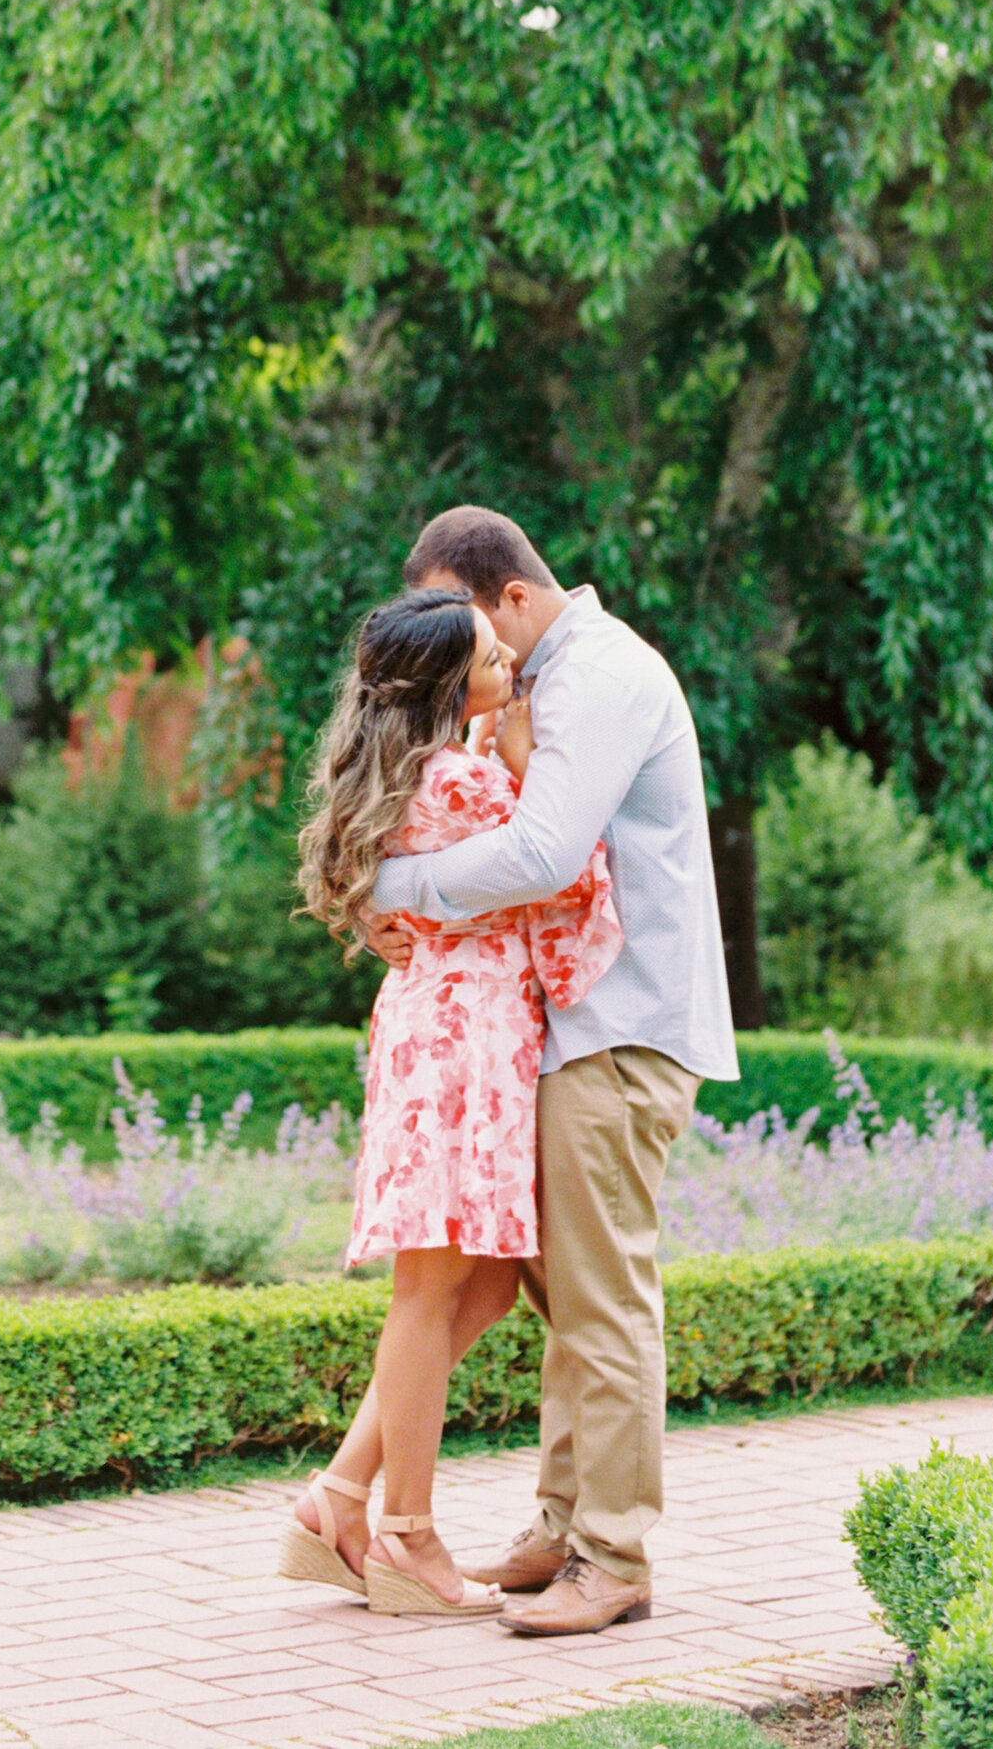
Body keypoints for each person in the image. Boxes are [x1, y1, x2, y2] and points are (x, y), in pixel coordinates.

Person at [365, 505, 737, 1638]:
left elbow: (541, 854)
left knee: (607, 1296)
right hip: (569, 1027)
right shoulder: (545, 684)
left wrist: (391, 891)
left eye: (464, 621)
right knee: (564, 1294)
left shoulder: (598, 677)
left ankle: (612, 1557)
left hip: (619, 1030)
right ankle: (565, 1522)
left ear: (510, 596)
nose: (458, 650)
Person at [279, 586, 622, 1617]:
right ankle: (406, 1534)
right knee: (431, 1292)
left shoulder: (407, 777)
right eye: (485, 656)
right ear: (447, 685)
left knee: (476, 1288)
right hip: (466, 1043)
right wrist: (522, 761)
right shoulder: (466, 783)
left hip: (442, 1032)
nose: (506, 662)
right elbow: (572, 887)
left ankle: (339, 1495)